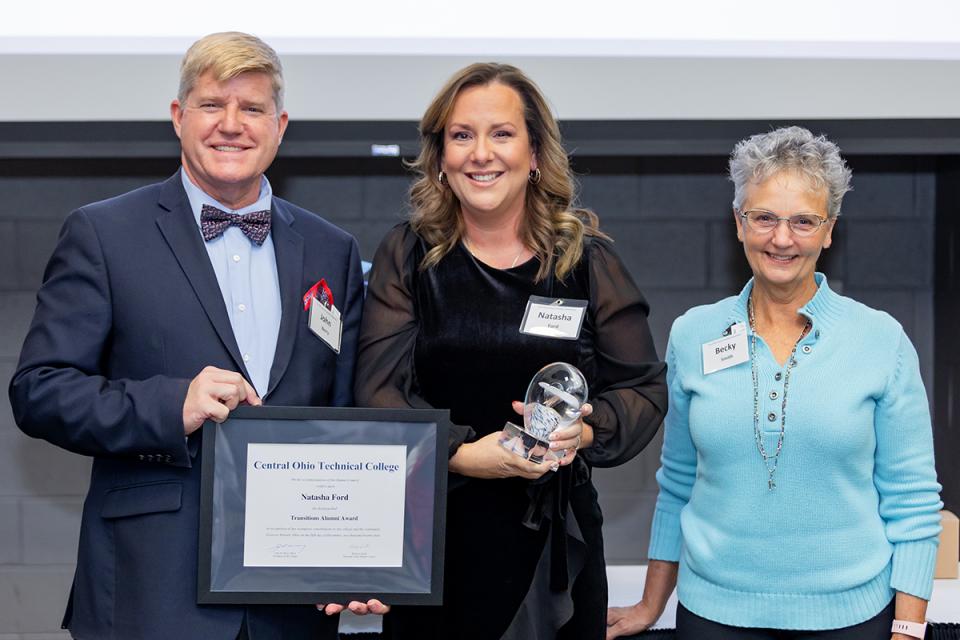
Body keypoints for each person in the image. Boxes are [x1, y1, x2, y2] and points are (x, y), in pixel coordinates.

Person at [8, 32, 368, 640]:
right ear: (179, 118)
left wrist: (360, 552)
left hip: (292, 604)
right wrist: (168, 405)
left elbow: (347, 415)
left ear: (280, 125)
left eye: (252, 109)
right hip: (152, 590)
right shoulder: (103, 233)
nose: (232, 125)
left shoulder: (332, 249)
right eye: (211, 105)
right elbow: (39, 390)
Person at [355, 62, 668, 640]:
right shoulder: (408, 255)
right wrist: (463, 454)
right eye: (461, 135)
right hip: (436, 544)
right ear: (441, 158)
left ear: (535, 156)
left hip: (554, 549)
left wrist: (588, 429)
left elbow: (642, 390)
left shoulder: (588, 262)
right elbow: (378, 394)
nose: (481, 153)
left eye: (501, 134)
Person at [606, 126, 942, 640]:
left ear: (829, 230)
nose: (781, 239)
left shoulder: (882, 340)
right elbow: (677, 484)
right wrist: (651, 605)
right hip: (712, 616)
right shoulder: (693, 333)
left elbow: (912, 500)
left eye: (803, 221)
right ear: (738, 224)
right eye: (763, 217)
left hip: (851, 620)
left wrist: (909, 629)